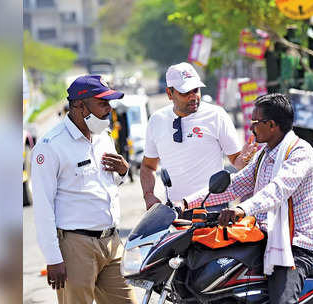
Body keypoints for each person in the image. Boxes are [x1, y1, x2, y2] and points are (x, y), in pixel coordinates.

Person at [180, 93, 313, 304]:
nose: (251, 128)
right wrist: (184, 203)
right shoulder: (264, 154)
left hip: (296, 245)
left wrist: (242, 210)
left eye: (255, 122)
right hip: (264, 235)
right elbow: (236, 184)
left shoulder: (300, 152)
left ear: (272, 125)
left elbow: (278, 190)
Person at [31, 75, 134, 304]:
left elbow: (105, 185)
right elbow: (43, 207)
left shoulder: (103, 138)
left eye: (110, 103)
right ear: (79, 104)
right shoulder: (51, 146)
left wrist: (123, 172)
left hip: (112, 242)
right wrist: (53, 258)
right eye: (102, 103)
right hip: (76, 246)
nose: (109, 109)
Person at [141, 62, 257, 210]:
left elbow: (236, 161)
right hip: (176, 211)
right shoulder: (157, 120)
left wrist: (246, 157)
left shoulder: (217, 115)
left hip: (213, 208)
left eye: (195, 90)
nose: (193, 97)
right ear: (170, 94)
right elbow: (148, 166)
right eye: (185, 92)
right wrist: (148, 194)